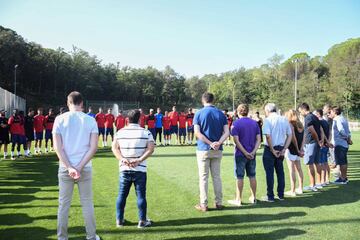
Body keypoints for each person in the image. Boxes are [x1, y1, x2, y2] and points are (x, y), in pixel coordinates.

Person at [53, 91, 100, 240]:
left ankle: (62, 237)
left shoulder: (59, 119)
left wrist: (70, 167)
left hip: (65, 167)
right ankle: (91, 236)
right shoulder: (90, 120)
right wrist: (77, 167)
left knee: (63, 205)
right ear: (82, 103)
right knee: (87, 203)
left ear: (68, 103)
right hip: (84, 167)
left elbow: (57, 148)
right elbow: (93, 148)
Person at [112, 109, 155, 228]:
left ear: (127, 120)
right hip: (140, 169)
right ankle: (142, 221)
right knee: (141, 195)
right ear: (140, 119)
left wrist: (122, 159)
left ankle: (119, 220)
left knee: (121, 195)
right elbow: (151, 149)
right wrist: (139, 160)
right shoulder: (146, 132)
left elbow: (114, 148)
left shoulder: (120, 132)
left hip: (124, 168)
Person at [193, 92, 230, 212]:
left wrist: (210, 143)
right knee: (216, 177)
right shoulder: (221, 114)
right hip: (217, 149)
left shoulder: (198, 113)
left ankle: (204, 204)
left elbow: (197, 133)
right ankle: (218, 203)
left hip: (203, 149)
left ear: (203, 100)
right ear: (213, 100)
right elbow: (227, 132)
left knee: (203, 178)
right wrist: (218, 143)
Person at [228, 104, 261, 206]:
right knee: (252, 175)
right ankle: (254, 197)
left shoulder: (236, 123)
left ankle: (238, 199)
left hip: (240, 154)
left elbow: (236, 141)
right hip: (252, 154)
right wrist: (252, 152)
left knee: (239, 177)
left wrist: (245, 153)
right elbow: (259, 140)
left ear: (238, 112)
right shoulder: (254, 123)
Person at [262, 103, 292, 202]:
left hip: (270, 148)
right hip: (280, 147)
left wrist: (272, 149)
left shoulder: (268, 120)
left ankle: (270, 196)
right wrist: (284, 149)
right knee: (280, 172)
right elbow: (290, 135)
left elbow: (268, 136)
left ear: (267, 111)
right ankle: (281, 195)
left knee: (269, 173)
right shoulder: (284, 119)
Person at [298, 103, 323, 192]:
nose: (300, 112)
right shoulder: (314, 116)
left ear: (303, 109)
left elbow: (312, 130)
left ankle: (312, 184)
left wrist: (317, 140)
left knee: (310, 164)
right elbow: (320, 129)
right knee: (317, 163)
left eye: (300, 110)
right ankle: (318, 183)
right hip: (315, 143)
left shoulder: (308, 117)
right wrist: (320, 140)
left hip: (311, 143)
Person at [284, 110, 304, 197]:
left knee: (291, 170)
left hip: (292, 149)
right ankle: (300, 188)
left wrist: (297, 149)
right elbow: (303, 138)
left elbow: (293, 138)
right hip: (298, 150)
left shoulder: (291, 124)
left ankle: (292, 190)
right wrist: (301, 149)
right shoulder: (301, 125)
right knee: (299, 169)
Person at [330, 106, 352, 184]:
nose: (330, 113)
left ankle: (343, 178)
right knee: (343, 161)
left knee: (342, 162)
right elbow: (349, 131)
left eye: (331, 112)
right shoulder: (343, 118)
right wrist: (349, 138)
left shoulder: (337, 119)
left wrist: (347, 138)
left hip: (340, 143)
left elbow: (341, 130)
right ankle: (343, 177)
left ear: (335, 112)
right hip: (344, 144)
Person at [314, 109, 332, 186]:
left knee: (321, 163)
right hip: (326, 144)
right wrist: (328, 141)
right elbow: (330, 133)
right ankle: (326, 180)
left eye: (315, 114)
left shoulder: (319, 122)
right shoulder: (325, 122)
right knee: (325, 162)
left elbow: (323, 134)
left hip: (322, 145)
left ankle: (321, 181)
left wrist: (324, 141)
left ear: (318, 114)